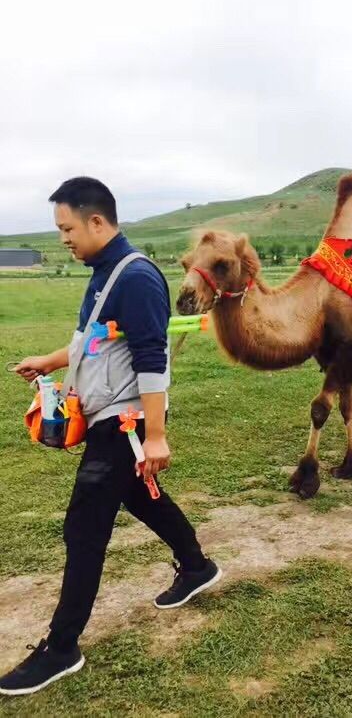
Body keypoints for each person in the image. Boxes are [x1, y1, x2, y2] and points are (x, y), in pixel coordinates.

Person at [0, 177, 221, 697]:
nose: (63, 239)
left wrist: (157, 436)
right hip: (109, 418)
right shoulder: (103, 273)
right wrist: (50, 362)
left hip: (125, 422)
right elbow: (92, 341)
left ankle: (61, 648)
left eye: (68, 228)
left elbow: (152, 359)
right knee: (141, 499)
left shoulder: (137, 278)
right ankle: (196, 566)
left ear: (97, 221)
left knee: (84, 528)